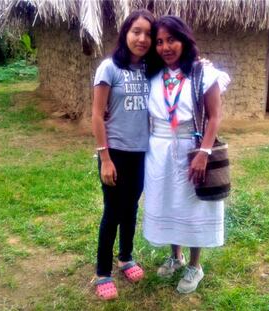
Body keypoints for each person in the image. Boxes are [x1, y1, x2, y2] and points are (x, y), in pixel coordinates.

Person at [143, 15, 230, 294]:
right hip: (158, 149)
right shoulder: (153, 74)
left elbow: (215, 117)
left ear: (184, 40)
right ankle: (175, 256)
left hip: (191, 148)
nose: (165, 47)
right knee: (170, 201)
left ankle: (195, 265)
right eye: (159, 42)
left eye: (171, 40)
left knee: (193, 205)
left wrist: (203, 153)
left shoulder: (204, 73)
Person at [91, 9, 155, 300]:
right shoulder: (109, 68)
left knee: (131, 208)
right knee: (113, 211)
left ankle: (125, 257)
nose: (142, 39)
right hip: (114, 152)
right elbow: (96, 114)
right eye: (136, 31)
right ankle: (103, 271)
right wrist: (104, 157)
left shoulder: (151, 70)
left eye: (148, 34)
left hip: (141, 153)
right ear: (125, 33)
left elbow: (181, 66)